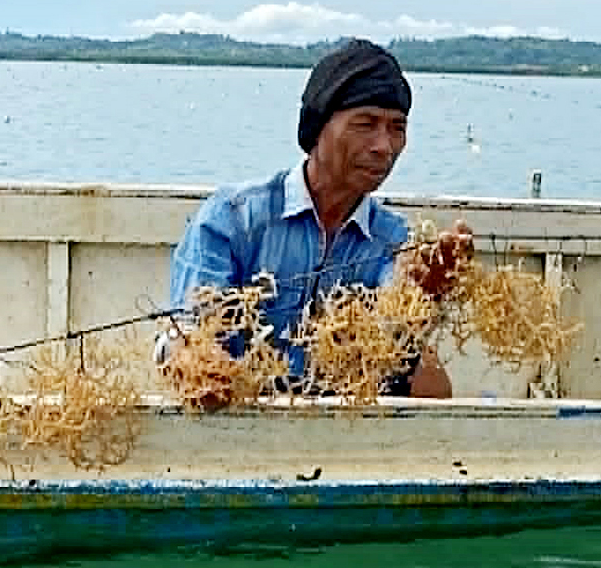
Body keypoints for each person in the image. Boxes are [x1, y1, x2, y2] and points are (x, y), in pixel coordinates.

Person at [167, 37, 465, 399]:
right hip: (237, 419)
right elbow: (186, 337)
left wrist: (421, 300)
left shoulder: (395, 240)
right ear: (318, 127)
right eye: (365, 124)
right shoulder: (234, 218)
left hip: (342, 430)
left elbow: (399, 360)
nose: (383, 146)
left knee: (435, 388)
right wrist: (201, 366)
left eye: (396, 128)